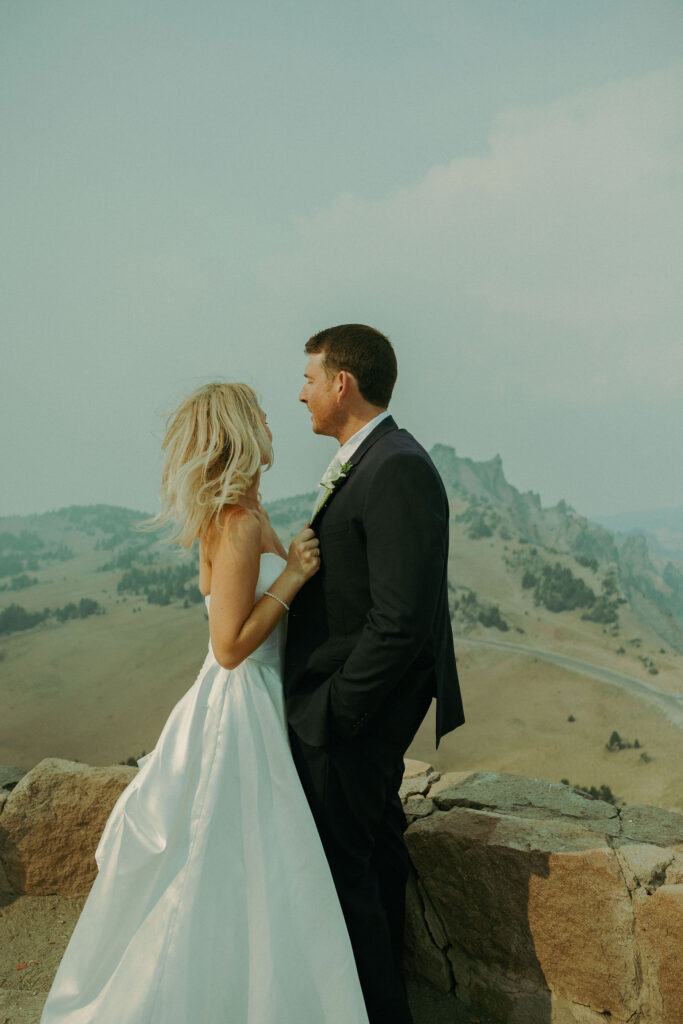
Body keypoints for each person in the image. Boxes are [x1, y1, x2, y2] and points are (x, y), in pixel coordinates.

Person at [40, 382, 370, 1024]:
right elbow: (228, 646)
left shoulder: (238, 513)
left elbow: (213, 589)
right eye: (262, 417)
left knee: (235, 867)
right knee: (231, 865)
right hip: (241, 706)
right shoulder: (241, 523)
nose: (276, 422)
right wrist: (295, 577)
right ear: (241, 431)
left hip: (253, 700)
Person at [285, 325, 465, 1024]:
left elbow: (400, 622)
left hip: (351, 719)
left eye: (307, 378)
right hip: (346, 715)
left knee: (344, 884)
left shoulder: (395, 466)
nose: (298, 393)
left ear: (342, 384)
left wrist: (331, 713)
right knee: (371, 867)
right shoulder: (370, 459)